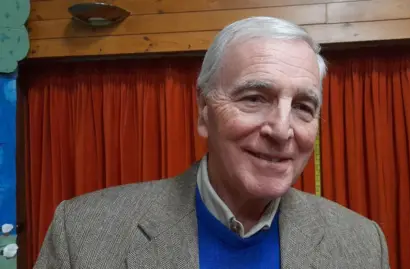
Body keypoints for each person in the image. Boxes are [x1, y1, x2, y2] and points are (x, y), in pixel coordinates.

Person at [34, 16, 390, 269]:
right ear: (204, 111)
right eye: (254, 98)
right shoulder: (83, 235)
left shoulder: (361, 243)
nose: (282, 130)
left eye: (303, 107)